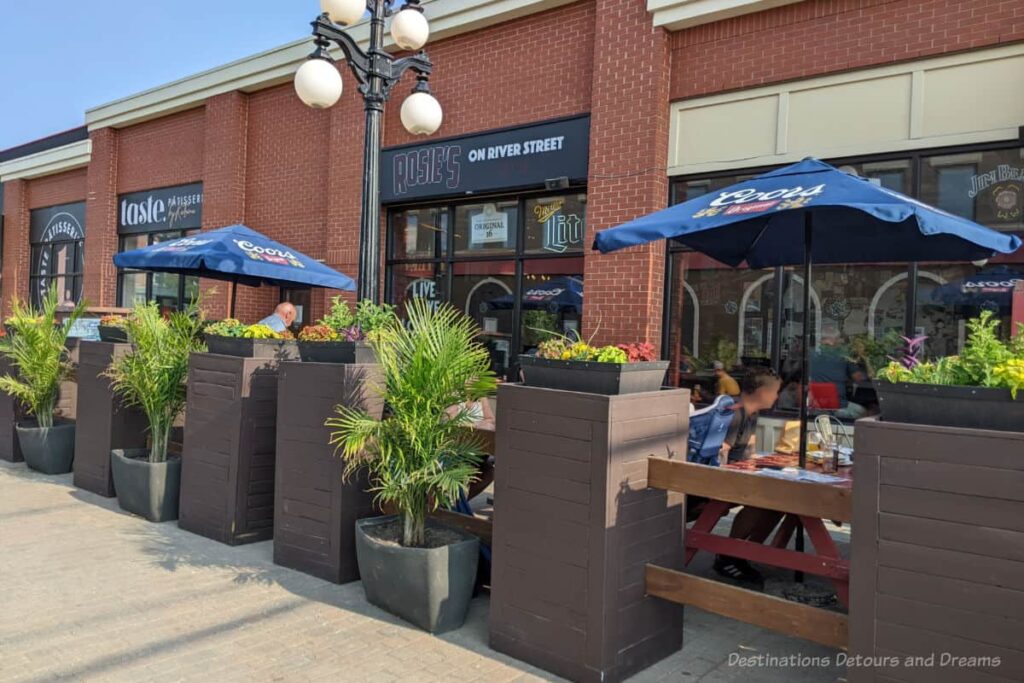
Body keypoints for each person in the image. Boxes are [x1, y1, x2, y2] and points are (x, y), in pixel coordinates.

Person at [713, 367, 785, 585]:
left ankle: (742, 552)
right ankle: (728, 555)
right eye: (775, 391)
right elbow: (721, 452)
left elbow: (750, 451)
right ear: (762, 391)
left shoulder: (752, 412)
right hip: (719, 478)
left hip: (738, 474)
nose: (777, 396)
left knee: (780, 501)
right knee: (761, 502)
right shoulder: (735, 412)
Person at [810, 325, 867, 419]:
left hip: (814, 407)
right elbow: (858, 377)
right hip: (838, 406)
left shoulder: (810, 353)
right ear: (836, 339)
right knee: (863, 412)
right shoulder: (843, 353)